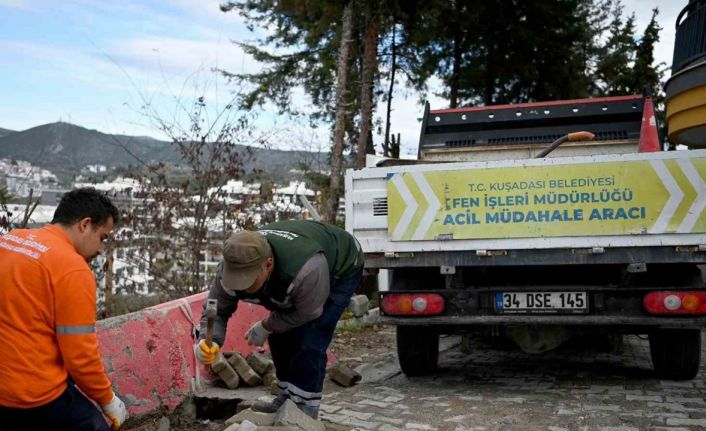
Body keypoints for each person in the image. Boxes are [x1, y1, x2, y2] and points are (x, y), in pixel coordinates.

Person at [195, 220, 364, 419]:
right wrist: (208, 342)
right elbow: (217, 309)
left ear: (268, 264)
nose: (241, 286)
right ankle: (286, 398)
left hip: (341, 266)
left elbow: (308, 313)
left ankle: (304, 411)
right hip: (291, 277)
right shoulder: (231, 266)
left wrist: (267, 325)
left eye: (248, 279)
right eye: (237, 279)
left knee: (310, 338)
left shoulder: (306, 269)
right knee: (279, 336)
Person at [0, 188, 127, 431]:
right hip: (31, 395)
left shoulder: (11, 240)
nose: (100, 248)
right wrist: (108, 399)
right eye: (102, 237)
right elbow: (81, 357)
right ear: (85, 224)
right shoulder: (72, 269)